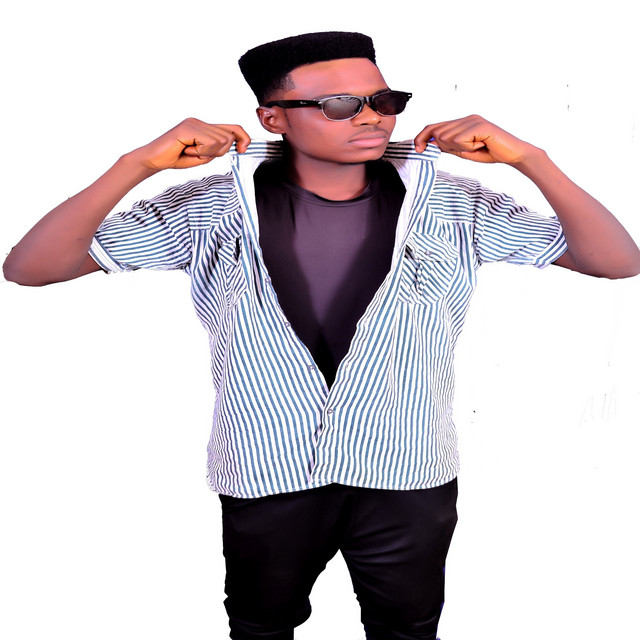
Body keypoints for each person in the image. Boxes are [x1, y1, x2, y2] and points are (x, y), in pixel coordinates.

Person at [3, 30, 639, 640]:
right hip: (267, 466)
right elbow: (31, 268)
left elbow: (616, 260)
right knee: (260, 627)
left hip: (406, 466)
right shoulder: (208, 208)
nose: (372, 118)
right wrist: (135, 164)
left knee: (408, 630)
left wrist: (532, 159)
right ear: (273, 118)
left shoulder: (453, 204)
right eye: (340, 105)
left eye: (384, 100)